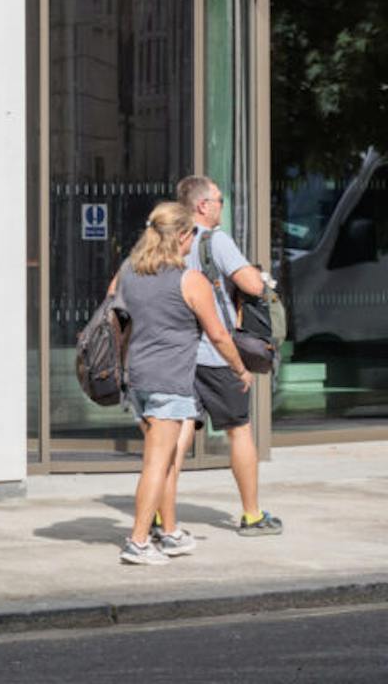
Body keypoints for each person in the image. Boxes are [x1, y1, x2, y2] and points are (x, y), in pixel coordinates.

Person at [113, 200, 252, 567]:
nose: (193, 242)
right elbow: (219, 335)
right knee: (157, 464)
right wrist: (240, 368)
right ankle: (138, 541)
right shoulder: (189, 280)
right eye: (191, 235)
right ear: (181, 237)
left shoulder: (129, 271)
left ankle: (170, 533)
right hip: (169, 381)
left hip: (138, 379)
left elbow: (116, 316)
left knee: (167, 458)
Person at [169, 173, 283, 535]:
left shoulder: (169, 239)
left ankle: (161, 514)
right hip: (216, 353)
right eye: (219, 200)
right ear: (203, 206)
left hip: (178, 354)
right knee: (239, 430)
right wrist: (257, 276)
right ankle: (252, 515)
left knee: (179, 430)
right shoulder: (214, 239)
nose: (222, 206)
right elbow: (251, 285)